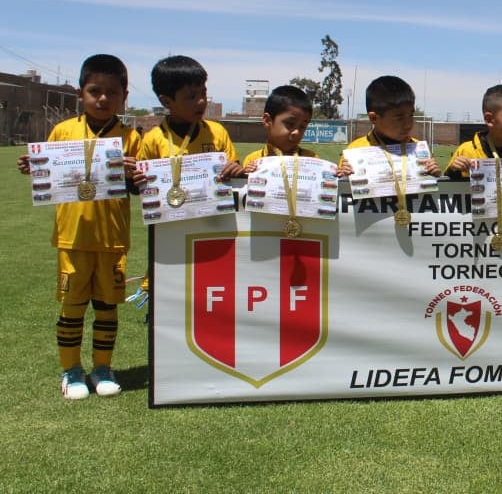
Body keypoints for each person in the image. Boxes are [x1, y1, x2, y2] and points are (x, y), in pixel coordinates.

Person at [16, 54, 142, 399]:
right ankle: (71, 371)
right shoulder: (63, 131)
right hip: (72, 238)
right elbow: (49, 176)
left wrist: (135, 175)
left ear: (124, 96)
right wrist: (35, 167)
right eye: (94, 91)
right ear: (80, 94)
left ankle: (102, 367)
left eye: (112, 92)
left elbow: (139, 188)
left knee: (106, 308)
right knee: (72, 308)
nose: (103, 99)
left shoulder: (131, 137)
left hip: (112, 239)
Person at [129, 56, 244, 306]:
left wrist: (237, 169)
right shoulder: (152, 140)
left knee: (210, 297)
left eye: (203, 93)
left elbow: (234, 179)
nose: (201, 101)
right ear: (166, 101)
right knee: (171, 304)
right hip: (170, 235)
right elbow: (140, 190)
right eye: (191, 96)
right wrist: (136, 180)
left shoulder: (217, 133)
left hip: (213, 232)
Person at [340, 75, 441, 177]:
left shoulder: (418, 150)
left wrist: (434, 176)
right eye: (399, 118)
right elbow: (342, 188)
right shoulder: (354, 151)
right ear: (374, 118)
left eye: (411, 115)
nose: (408, 124)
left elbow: (432, 189)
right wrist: (344, 176)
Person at [242, 85, 318, 172]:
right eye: (290, 124)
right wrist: (245, 176)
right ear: (267, 120)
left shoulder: (312, 160)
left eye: (302, 126)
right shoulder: (253, 161)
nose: (297, 132)